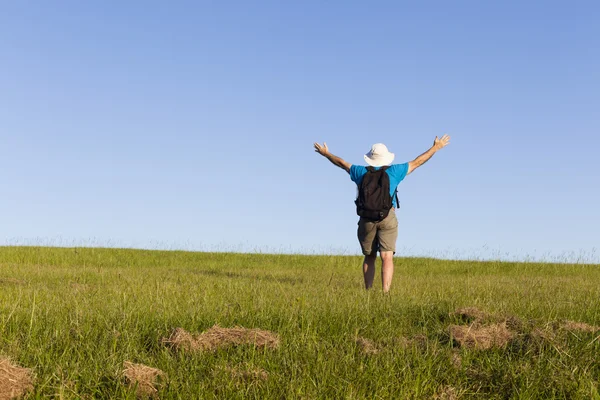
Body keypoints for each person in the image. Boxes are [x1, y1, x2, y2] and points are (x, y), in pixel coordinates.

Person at [313, 135, 451, 292]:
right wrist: (435, 147)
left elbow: (342, 163)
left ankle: (368, 292)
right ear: (387, 158)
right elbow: (417, 162)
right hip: (388, 217)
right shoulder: (395, 171)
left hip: (366, 219)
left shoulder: (360, 172)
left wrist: (326, 154)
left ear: (370, 158)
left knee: (369, 257)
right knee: (387, 257)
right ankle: (385, 293)